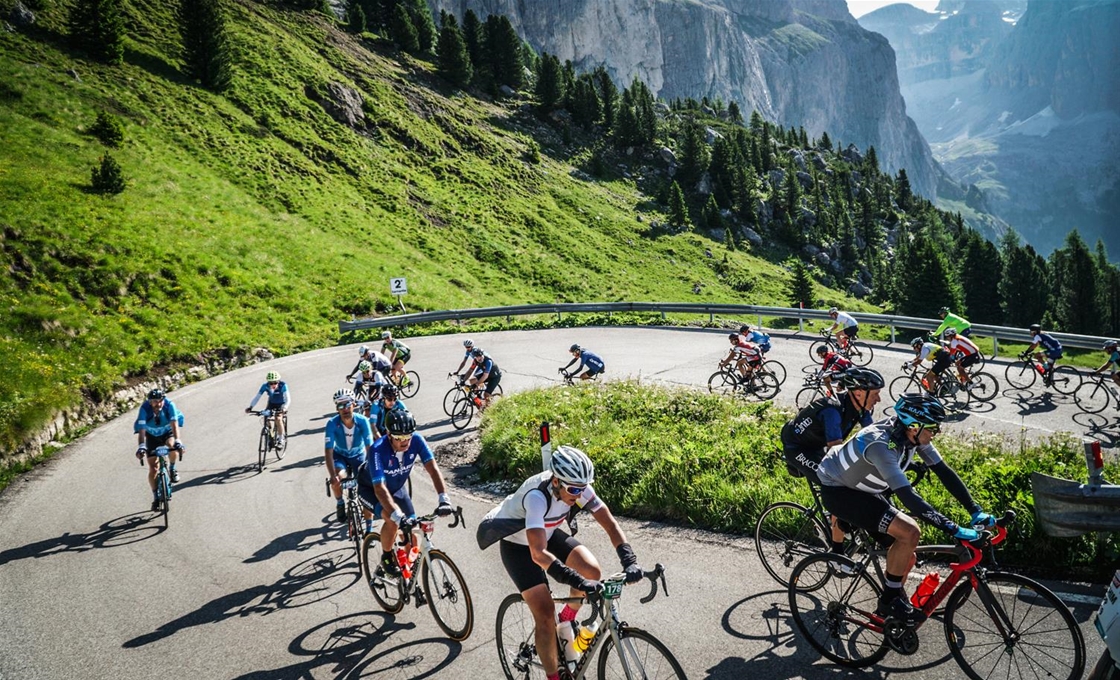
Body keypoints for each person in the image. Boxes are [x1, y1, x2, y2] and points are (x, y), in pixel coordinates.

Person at [817, 394, 993, 625]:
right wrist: (954, 529)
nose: (936, 432)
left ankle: (889, 613)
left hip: (865, 489)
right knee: (910, 532)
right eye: (933, 428)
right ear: (914, 426)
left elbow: (943, 471)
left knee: (907, 557)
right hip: (840, 490)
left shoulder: (910, 437)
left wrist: (975, 510)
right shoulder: (881, 445)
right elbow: (908, 497)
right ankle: (889, 601)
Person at [477, 446, 645, 680]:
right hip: (519, 547)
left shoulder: (577, 488)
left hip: (547, 532)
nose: (579, 494)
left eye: (583, 488)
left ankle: (566, 620)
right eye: (574, 489)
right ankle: (553, 676)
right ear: (556, 481)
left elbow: (610, 524)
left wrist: (629, 561)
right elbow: (538, 554)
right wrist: (577, 580)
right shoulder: (536, 497)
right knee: (545, 614)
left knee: (592, 571)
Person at [780, 368, 884, 552]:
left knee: (848, 482)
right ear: (858, 393)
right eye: (876, 394)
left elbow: (875, 437)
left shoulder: (860, 408)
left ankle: (837, 520)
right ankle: (837, 551)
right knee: (836, 485)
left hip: (815, 445)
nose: (879, 399)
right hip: (798, 449)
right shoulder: (832, 410)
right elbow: (836, 450)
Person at [359, 410, 454, 576]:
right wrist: (397, 516)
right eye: (399, 437)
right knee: (392, 520)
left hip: (397, 489)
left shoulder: (417, 440)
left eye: (408, 436)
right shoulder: (377, 450)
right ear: (389, 434)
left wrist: (444, 499)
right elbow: (379, 488)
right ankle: (387, 557)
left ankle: (408, 576)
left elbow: (433, 470)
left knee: (413, 535)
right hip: (371, 490)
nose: (405, 441)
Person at [324, 388, 374, 523]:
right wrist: (332, 476)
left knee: (367, 483)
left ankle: (368, 526)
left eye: (347, 404)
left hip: (358, 455)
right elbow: (328, 451)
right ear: (337, 408)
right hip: (340, 455)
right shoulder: (332, 424)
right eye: (341, 406)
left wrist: (371, 470)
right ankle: (340, 503)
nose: (345, 409)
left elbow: (370, 448)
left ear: (354, 404)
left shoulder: (363, 421)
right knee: (338, 478)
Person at [134, 388, 185, 511]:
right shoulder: (144, 409)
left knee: (172, 445)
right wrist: (141, 446)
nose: (157, 404)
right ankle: (156, 497)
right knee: (153, 469)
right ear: (149, 402)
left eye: (159, 401)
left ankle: (172, 469)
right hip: (151, 436)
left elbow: (174, 425)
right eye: (154, 401)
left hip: (167, 433)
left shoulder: (169, 405)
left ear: (163, 400)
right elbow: (141, 431)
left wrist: (178, 440)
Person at [245, 370, 290, 447]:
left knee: (278, 418)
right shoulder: (265, 386)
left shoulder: (283, 385)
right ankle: (270, 435)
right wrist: (250, 407)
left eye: (275, 382)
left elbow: (288, 399)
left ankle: (281, 439)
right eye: (271, 383)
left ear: (279, 381)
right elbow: (257, 397)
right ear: (268, 382)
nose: (273, 384)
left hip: (281, 404)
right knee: (265, 418)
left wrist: (284, 408)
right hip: (271, 403)